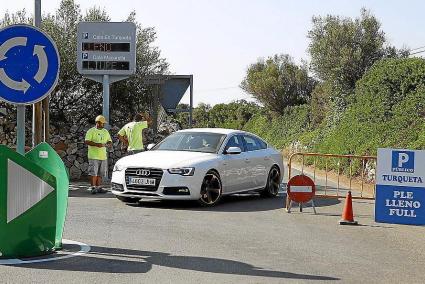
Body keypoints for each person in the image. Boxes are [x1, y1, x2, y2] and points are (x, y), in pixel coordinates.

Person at [84, 115, 112, 194]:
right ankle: (93, 187)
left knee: (101, 173)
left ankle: (99, 187)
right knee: (94, 173)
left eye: (104, 123)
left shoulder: (105, 131)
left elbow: (109, 141)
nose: (103, 124)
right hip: (93, 156)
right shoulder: (91, 131)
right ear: (97, 122)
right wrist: (97, 144)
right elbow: (87, 141)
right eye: (102, 123)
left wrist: (109, 144)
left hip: (103, 156)